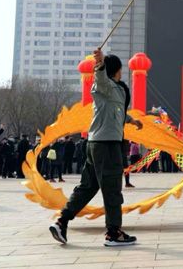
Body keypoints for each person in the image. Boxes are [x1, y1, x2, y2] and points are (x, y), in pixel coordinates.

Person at [49, 49, 142, 246]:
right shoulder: (106, 86)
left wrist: (132, 120)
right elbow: (101, 80)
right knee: (112, 189)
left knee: (87, 187)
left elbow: (115, 112)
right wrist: (99, 65)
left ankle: (61, 221)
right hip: (107, 146)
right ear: (117, 70)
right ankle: (113, 233)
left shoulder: (113, 92)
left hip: (95, 144)